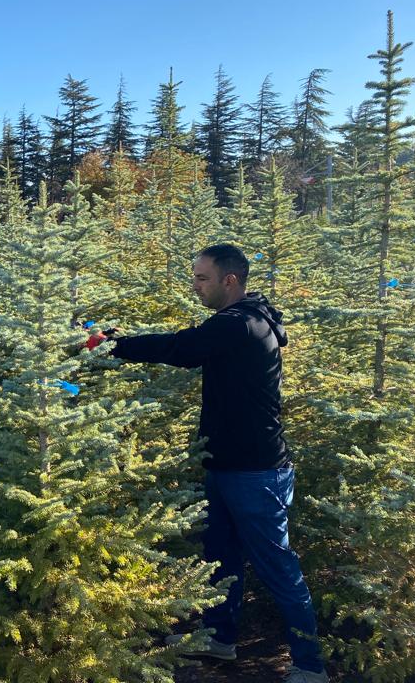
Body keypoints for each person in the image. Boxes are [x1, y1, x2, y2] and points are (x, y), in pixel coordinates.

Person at [95, 244, 327, 683]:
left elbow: (181, 348)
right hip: (224, 464)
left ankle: (310, 665)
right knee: (220, 558)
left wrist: (112, 344)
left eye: (202, 278)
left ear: (230, 280)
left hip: (256, 471)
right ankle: (219, 639)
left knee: (278, 567)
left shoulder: (241, 324)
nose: (194, 285)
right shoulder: (244, 319)